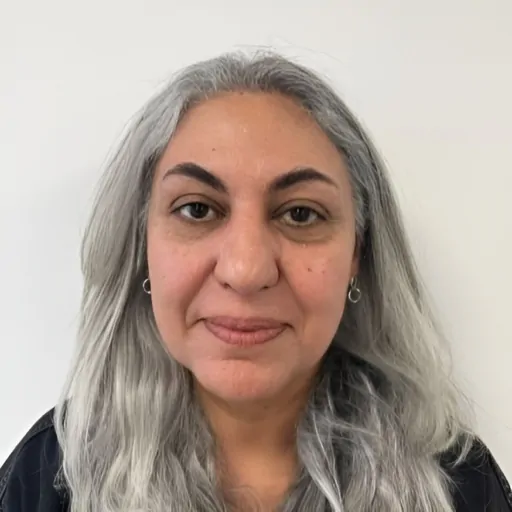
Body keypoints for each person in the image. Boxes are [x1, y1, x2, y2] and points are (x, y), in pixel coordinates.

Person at [0, 51, 510, 512]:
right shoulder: (49, 478)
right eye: (197, 209)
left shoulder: (458, 485)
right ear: (143, 247)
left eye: (301, 214)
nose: (245, 271)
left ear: (357, 253)